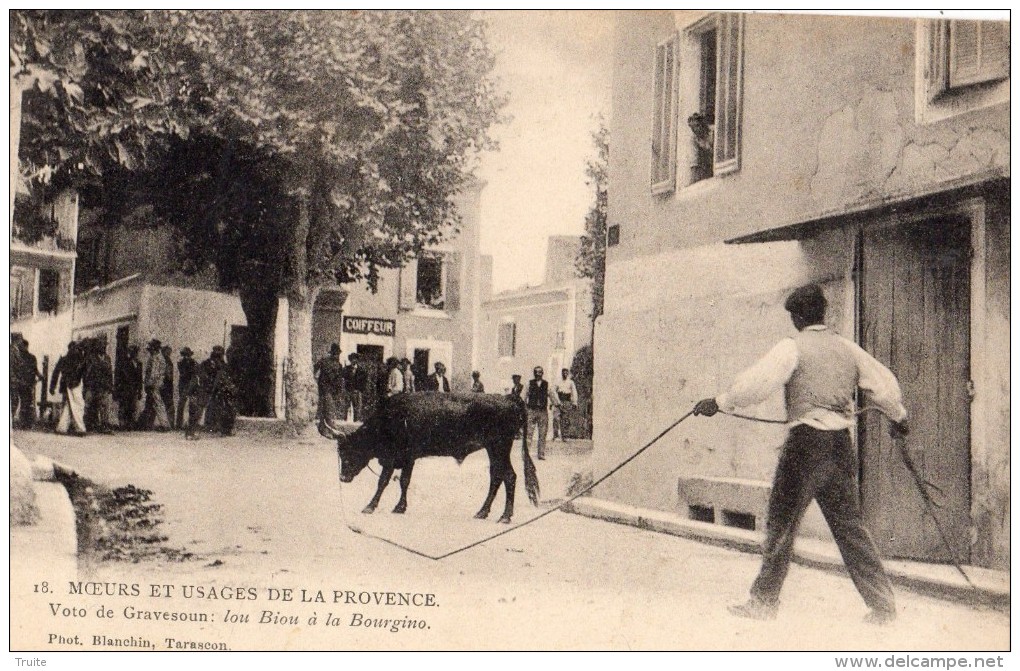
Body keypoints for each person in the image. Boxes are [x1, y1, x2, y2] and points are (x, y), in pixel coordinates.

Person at [693, 283, 908, 625]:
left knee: (781, 523)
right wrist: (899, 417)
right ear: (825, 313)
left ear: (796, 317)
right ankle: (883, 607)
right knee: (851, 527)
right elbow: (884, 387)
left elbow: (756, 384)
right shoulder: (848, 349)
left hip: (806, 445)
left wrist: (718, 402)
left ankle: (763, 603)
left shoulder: (792, 347)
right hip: (840, 446)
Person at [52, 341, 87, 435]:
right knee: (78, 405)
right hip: (74, 385)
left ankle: (62, 427)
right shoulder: (79, 359)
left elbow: (55, 373)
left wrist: (52, 386)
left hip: (68, 385)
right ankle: (79, 428)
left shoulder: (64, 359)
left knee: (68, 405)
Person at [82, 338, 115, 434]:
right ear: (97, 347)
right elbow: (87, 372)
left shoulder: (107, 358)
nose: (103, 347)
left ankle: (105, 426)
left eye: (104, 346)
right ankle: (86, 425)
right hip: (92, 385)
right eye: (101, 346)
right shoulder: (91, 358)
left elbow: (110, 373)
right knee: (88, 405)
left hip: (103, 386)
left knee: (104, 406)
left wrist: (110, 385)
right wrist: (86, 385)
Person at [11, 336, 42, 428]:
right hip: (25, 383)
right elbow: (35, 370)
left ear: (26, 346)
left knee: (24, 403)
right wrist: (39, 377)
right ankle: (24, 423)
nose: (21, 348)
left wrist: (39, 377)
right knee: (25, 403)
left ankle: (24, 422)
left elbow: (35, 369)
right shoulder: (30, 357)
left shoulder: (25, 357)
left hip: (23, 383)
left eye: (22, 346)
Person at [140, 339, 171, 430]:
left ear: (154, 348)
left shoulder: (156, 358)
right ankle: (146, 424)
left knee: (158, 403)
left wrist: (149, 384)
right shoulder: (156, 357)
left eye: (151, 348)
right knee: (150, 404)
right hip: (155, 383)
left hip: (154, 384)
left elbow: (154, 373)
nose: (149, 350)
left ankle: (165, 425)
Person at [315, 344, 346, 433]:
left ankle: (324, 428)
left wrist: (339, 391)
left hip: (333, 390)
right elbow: (314, 370)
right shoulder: (324, 361)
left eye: (338, 354)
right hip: (325, 389)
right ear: (332, 353)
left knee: (327, 409)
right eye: (335, 353)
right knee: (328, 408)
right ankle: (330, 427)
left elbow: (339, 379)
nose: (337, 355)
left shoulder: (338, 365)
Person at [114, 344, 144, 429]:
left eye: (135, 352)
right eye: (131, 352)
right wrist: (118, 388)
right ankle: (122, 423)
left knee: (132, 407)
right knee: (123, 406)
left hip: (134, 389)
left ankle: (130, 424)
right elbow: (119, 376)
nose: (133, 354)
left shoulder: (139, 364)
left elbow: (140, 378)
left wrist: (140, 390)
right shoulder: (124, 363)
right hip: (125, 388)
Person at [525, 366, 551, 459]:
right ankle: (526, 454)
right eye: (535, 372)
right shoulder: (529, 384)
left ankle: (541, 454)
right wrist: (523, 407)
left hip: (543, 411)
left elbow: (552, 395)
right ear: (534, 373)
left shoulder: (547, 384)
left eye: (539, 372)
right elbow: (524, 395)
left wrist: (558, 404)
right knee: (529, 433)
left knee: (542, 433)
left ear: (542, 373)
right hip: (531, 410)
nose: (537, 374)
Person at [552, 367, 579, 441]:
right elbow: (553, 391)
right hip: (558, 401)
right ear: (561, 373)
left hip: (567, 401)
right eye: (563, 372)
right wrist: (555, 401)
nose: (565, 374)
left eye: (566, 372)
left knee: (565, 418)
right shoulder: (557, 381)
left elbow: (574, 392)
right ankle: (555, 435)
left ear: (568, 373)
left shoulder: (571, 382)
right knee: (556, 418)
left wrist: (574, 402)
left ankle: (565, 436)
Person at [176, 347, 198, 430]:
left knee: (191, 405)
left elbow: (195, 373)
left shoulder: (192, 362)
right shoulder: (181, 362)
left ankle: (190, 424)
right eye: (184, 355)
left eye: (187, 355)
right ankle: (179, 424)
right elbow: (184, 373)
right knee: (182, 404)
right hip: (184, 385)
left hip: (190, 385)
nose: (186, 356)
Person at [344, 353, 369, 422]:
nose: (353, 360)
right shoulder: (346, 369)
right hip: (348, 391)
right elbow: (344, 379)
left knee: (357, 407)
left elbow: (364, 381)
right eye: (352, 359)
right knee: (346, 406)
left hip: (357, 391)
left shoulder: (362, 370)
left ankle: (356, 421)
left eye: (355, 359)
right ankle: (345, 421)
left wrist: (359, 390)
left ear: (357, 360)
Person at [160, 345, 175, 429]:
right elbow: (168, 374)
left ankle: (169, 423)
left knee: (167, 404)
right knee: (167, 404)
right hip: (165, 384)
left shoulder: (168, 360)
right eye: (167, 351)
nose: (169, 353)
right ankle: (168, 424)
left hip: (168, 384)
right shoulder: (164, 361)